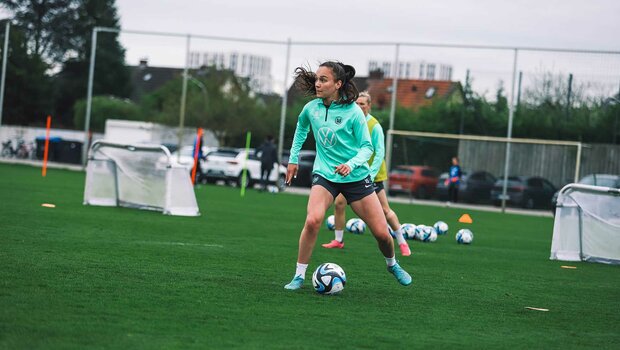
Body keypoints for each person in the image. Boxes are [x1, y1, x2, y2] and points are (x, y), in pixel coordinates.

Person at [283, 61, 412, 290]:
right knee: (313, 220)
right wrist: (293, 159)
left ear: (338, 84)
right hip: (325, 174)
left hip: (356, 177)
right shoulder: (311, 108)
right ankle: (299, 275)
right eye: (317, 79)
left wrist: (351, 165)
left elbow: (367, 147)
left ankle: (392, 264)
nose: (318, 84)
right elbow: (301, 128)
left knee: (383, 235)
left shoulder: (353, 111)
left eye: (324, 80)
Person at [321, 92, 412, 256]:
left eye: (363, 104)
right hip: (353, 173)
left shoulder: (374, 125)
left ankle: (402, 242)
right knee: (339, 204)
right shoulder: (352, 121)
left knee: (385, 211)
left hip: (372, 175)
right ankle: (338, 240)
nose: (359, 106)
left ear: (369, 106)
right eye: (357, 103)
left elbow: (379, 153)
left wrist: (370, 174)